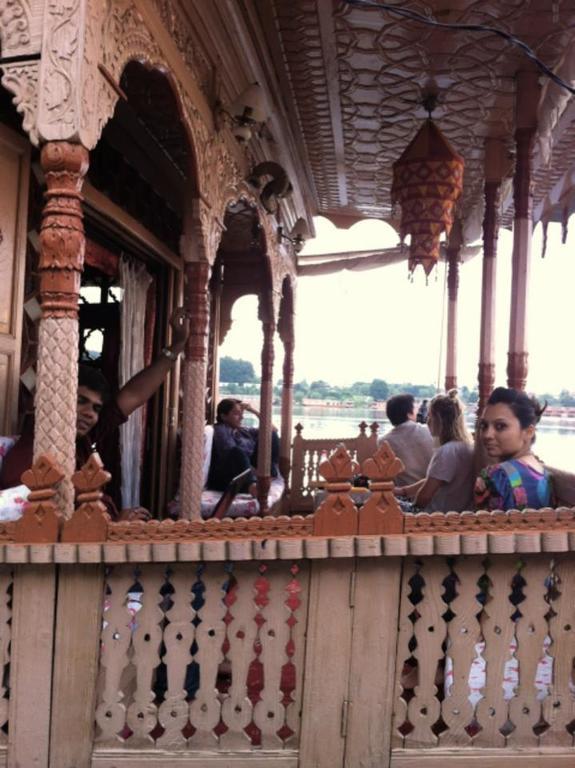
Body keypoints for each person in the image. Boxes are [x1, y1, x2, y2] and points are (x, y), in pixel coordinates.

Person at [0, 308, 190, 520]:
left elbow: (133, 396)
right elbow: (40, 528)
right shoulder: (33, 455)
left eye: (96, 408)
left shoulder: (78, 438)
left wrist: (177, 346)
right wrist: (114, 524)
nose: (90, 414)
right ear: (56, 399)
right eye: (81, 401)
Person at [474, 387, 553, 511]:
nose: (487, 435)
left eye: (500, 426)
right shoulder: (542, 473)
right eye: (484, 426)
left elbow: (484, 527)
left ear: (528, 432)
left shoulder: (497, 476)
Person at [394, 390, 474, 512]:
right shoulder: (467, 446)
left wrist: (414, 508)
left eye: (431, 416)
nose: (427, 420)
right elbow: (432, 481)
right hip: (460, 514)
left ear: (440, 420)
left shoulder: (446, 451)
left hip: (436, 517)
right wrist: (403, 491)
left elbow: (425, 496)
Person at [207, 398, 279, 495]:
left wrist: (253, 411)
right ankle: (254, 487)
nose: (241, 417)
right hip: (232, 474)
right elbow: (230, 454)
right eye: (236, 414)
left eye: (242, 413)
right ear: (224, 416)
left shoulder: (243, 430)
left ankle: (267, 476)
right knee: (237, 452)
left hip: (251, 469)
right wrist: (256, 474)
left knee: (271, 434)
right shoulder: (221, 430)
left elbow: (273, 429)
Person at [378, 394, 434, 486]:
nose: (418, 412)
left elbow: (384, 473)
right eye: (415, 409)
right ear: (409, 413)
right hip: (434, 491)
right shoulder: (429, 431)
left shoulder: (383, 442)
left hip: (403, 495)